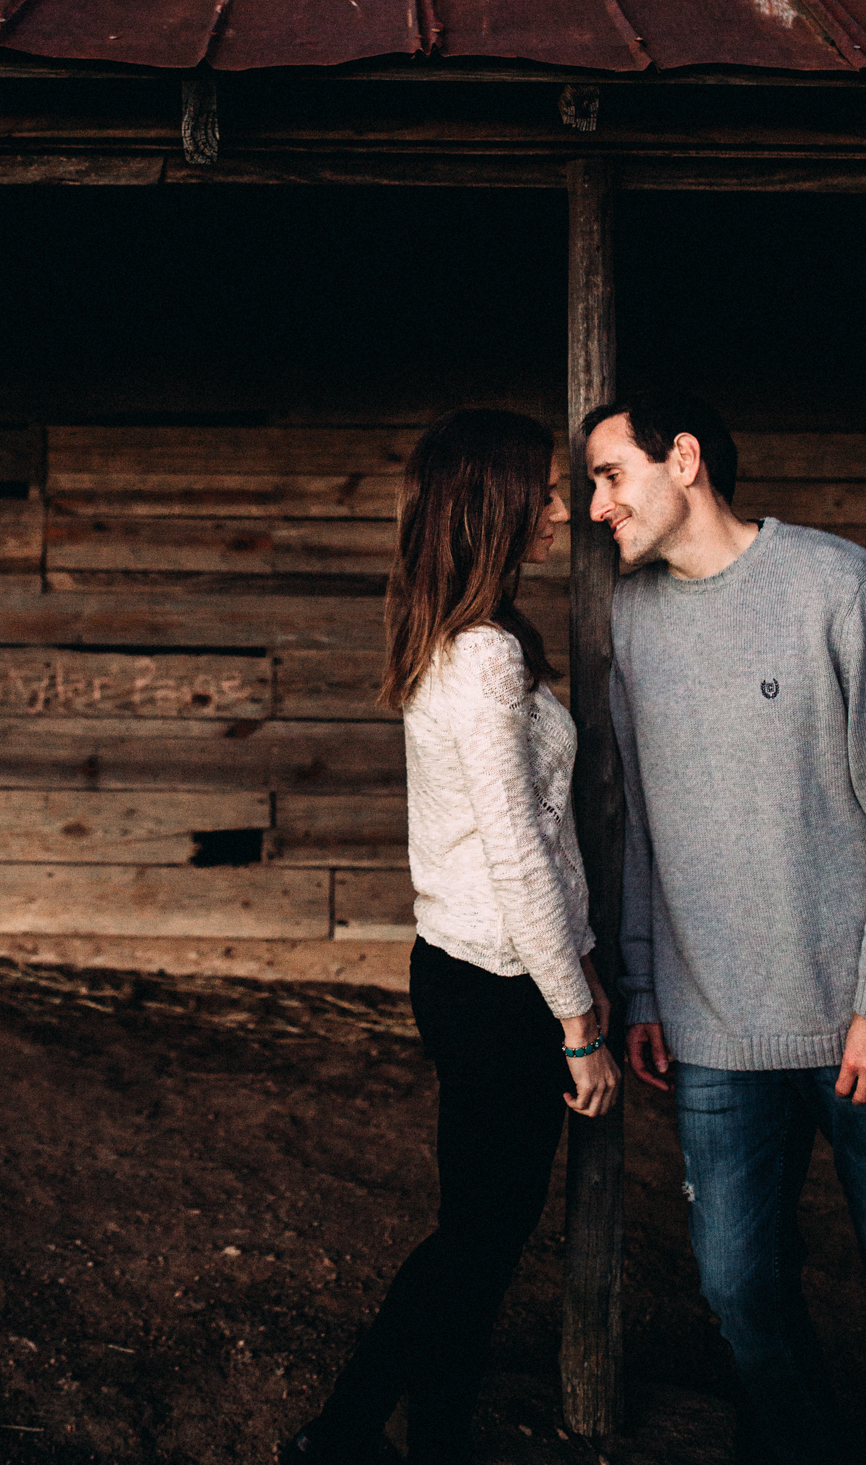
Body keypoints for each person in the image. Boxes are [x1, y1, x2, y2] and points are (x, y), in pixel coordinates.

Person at [583, 389, 866, 1465]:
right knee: (738, 1287)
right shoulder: (626, 618)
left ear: (686, 458)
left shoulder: (836, 584)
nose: (598, 505)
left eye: (611, 474)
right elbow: (639, 825)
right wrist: (650, 988)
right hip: (714, 1030)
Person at [280, 407, 619, 1465]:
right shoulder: (481, 655)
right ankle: (339, 1433)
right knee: (479, 1236)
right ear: (495, 503)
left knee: (479, 1227)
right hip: (500, 979)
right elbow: (519, 855)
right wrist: (576, 1021)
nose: (564, 509)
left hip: (475, 967)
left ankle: (434, 1435)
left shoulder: (469, 630)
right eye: (548, 491)